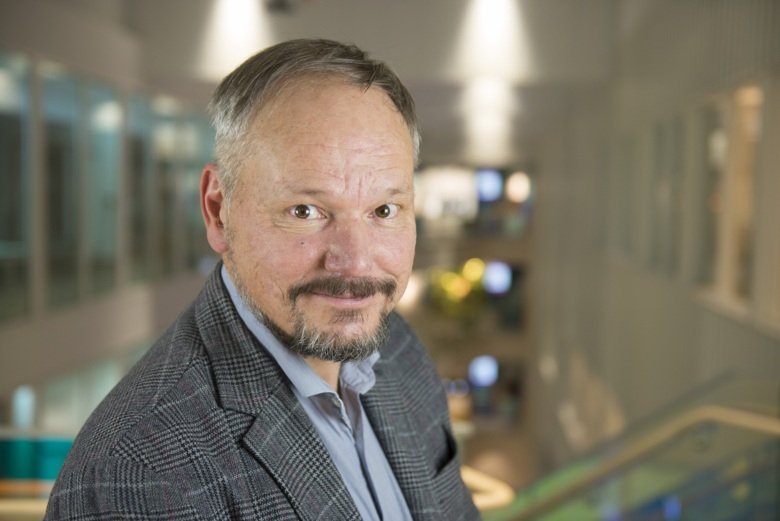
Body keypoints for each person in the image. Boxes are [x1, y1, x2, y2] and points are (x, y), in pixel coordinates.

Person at [45, 38, 480, 521]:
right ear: (217, 210)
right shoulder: (136, 475)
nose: (356, 264)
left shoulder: (398, 349)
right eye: (306, 210)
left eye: (384, 209)